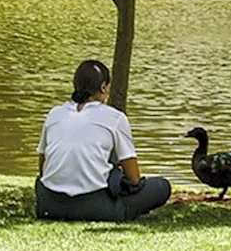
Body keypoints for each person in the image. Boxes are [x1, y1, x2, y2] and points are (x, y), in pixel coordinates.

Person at [35, 59, 171, 221]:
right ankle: (115, 209)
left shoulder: (54, 114)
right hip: (95, 207)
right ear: (103, 87)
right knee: (161, 187)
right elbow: (134, 178)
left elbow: (43, 167)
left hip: (49, 205)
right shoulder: (115, 118)